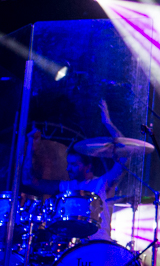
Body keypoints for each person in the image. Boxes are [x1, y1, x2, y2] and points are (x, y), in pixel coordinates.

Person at [23, 100, 125, 241]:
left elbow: (126, 155)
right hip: (73, 248)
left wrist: (108, 123)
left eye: (74, 164)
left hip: (99, 246)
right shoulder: (67, 187)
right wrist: (31, 147)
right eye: (68, 164)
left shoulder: (103, 183)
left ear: (88, 166)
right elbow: (29, 181)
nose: (68, 168)